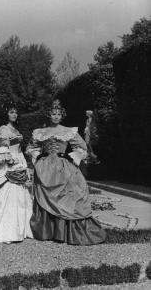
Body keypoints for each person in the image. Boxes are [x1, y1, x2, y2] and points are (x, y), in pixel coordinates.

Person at [26, 99, 106, 245]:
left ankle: (66, 231)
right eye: (53, 114)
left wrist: (75, 156)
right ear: (49, 115)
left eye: (58, 114)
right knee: (45, 196)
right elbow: (31, 148)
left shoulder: (68, 131)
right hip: (44, 167)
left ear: (62, 116)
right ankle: (48, 230)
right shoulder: (40, 132)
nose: (55, 116)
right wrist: (36, 156)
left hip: (63, 166)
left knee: (71, 193)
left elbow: (81, 148)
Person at [0, 102, 33, 243]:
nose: (14, 114)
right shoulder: (4, 129)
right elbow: (3, 146)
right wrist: (10, 160)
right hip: (10, 163)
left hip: (19, 160)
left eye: (15, 112)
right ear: (6, 114)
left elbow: (18, 148)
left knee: (21, 196)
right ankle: (6, 231)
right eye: (11, 112)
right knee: (8, 194)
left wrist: (22, 163)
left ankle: (20, 229)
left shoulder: (15, 129)